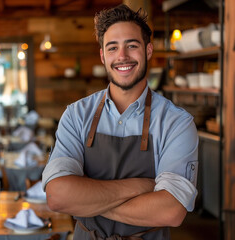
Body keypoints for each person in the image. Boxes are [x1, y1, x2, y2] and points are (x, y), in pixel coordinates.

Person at [42, 4, 198, 240]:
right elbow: (58, 197)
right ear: (103, 56)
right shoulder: (76, 115)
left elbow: (172, 211)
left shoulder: (176, 123)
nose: (122, 56)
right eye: (113, 47)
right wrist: (142, 187)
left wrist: (86, 200)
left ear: (148, 50)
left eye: (132, 46)